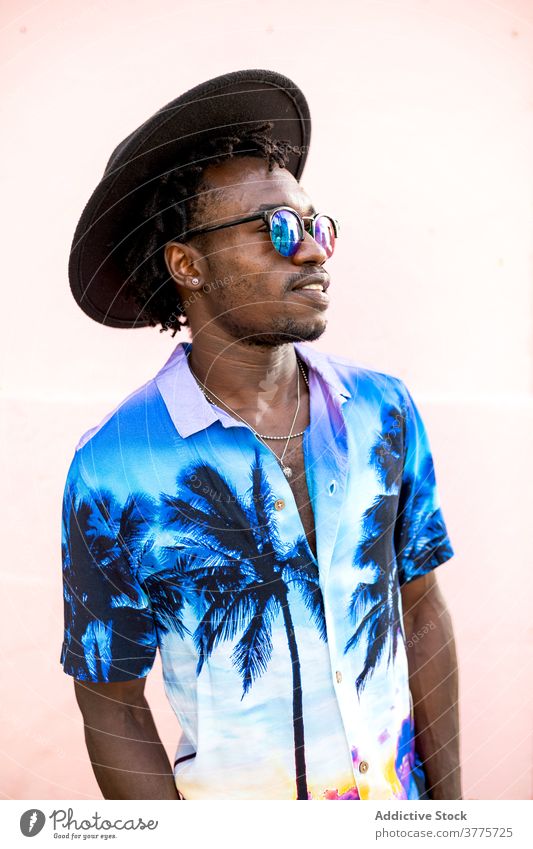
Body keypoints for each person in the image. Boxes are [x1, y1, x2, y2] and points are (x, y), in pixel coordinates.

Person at [61, 70, 461, 801]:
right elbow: (110, 701)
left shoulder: (384, 411)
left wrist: (450, 815)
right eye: (277, 228)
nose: (312, 252)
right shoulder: (113, 468)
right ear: (188, 264)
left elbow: (420, 608)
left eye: (316, 226)